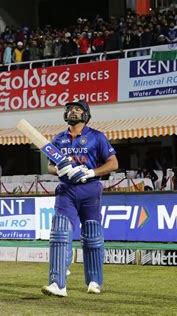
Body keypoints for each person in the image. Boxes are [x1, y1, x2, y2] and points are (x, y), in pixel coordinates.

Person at [41, 100, 118, 297]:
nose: (73, 111)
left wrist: (91, 173)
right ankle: (58, 284)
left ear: (86, 114)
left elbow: (113, 163)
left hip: (90, 189)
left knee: (92, 236)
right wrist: (60, 168)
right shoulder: (59, 139)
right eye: (70, 109)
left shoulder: (96, 137)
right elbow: (50, 166)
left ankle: (94, 281)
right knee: (59, 234)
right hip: (66, 190)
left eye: (78, 109)